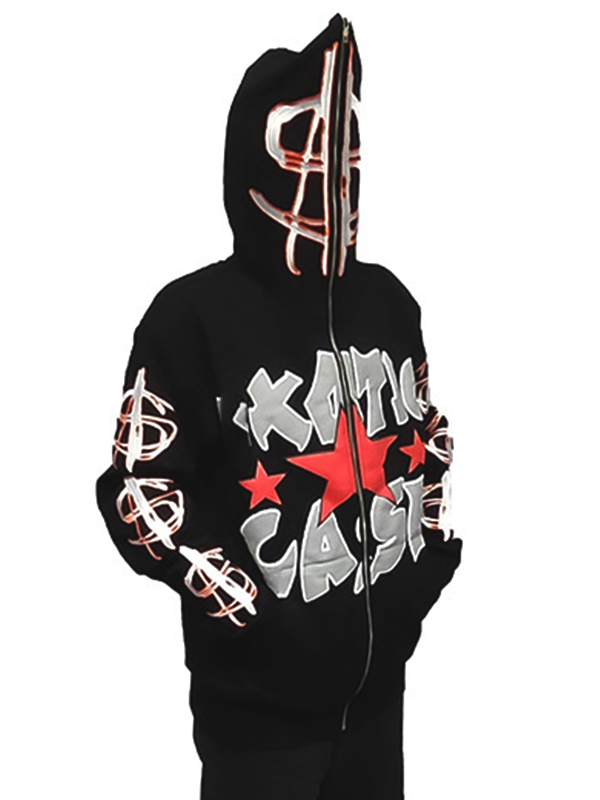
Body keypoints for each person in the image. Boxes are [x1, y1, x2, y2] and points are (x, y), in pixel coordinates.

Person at [96, 13, 463, 799]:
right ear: (250, 155)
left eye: (347, 143)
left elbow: (424, 440)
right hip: (257, 721)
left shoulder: (390, 302)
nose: (331, 167)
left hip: (379, 699)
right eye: (303, 143)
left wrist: (424, 568)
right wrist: (240, 606)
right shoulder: (191, 317)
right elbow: (138, 485)